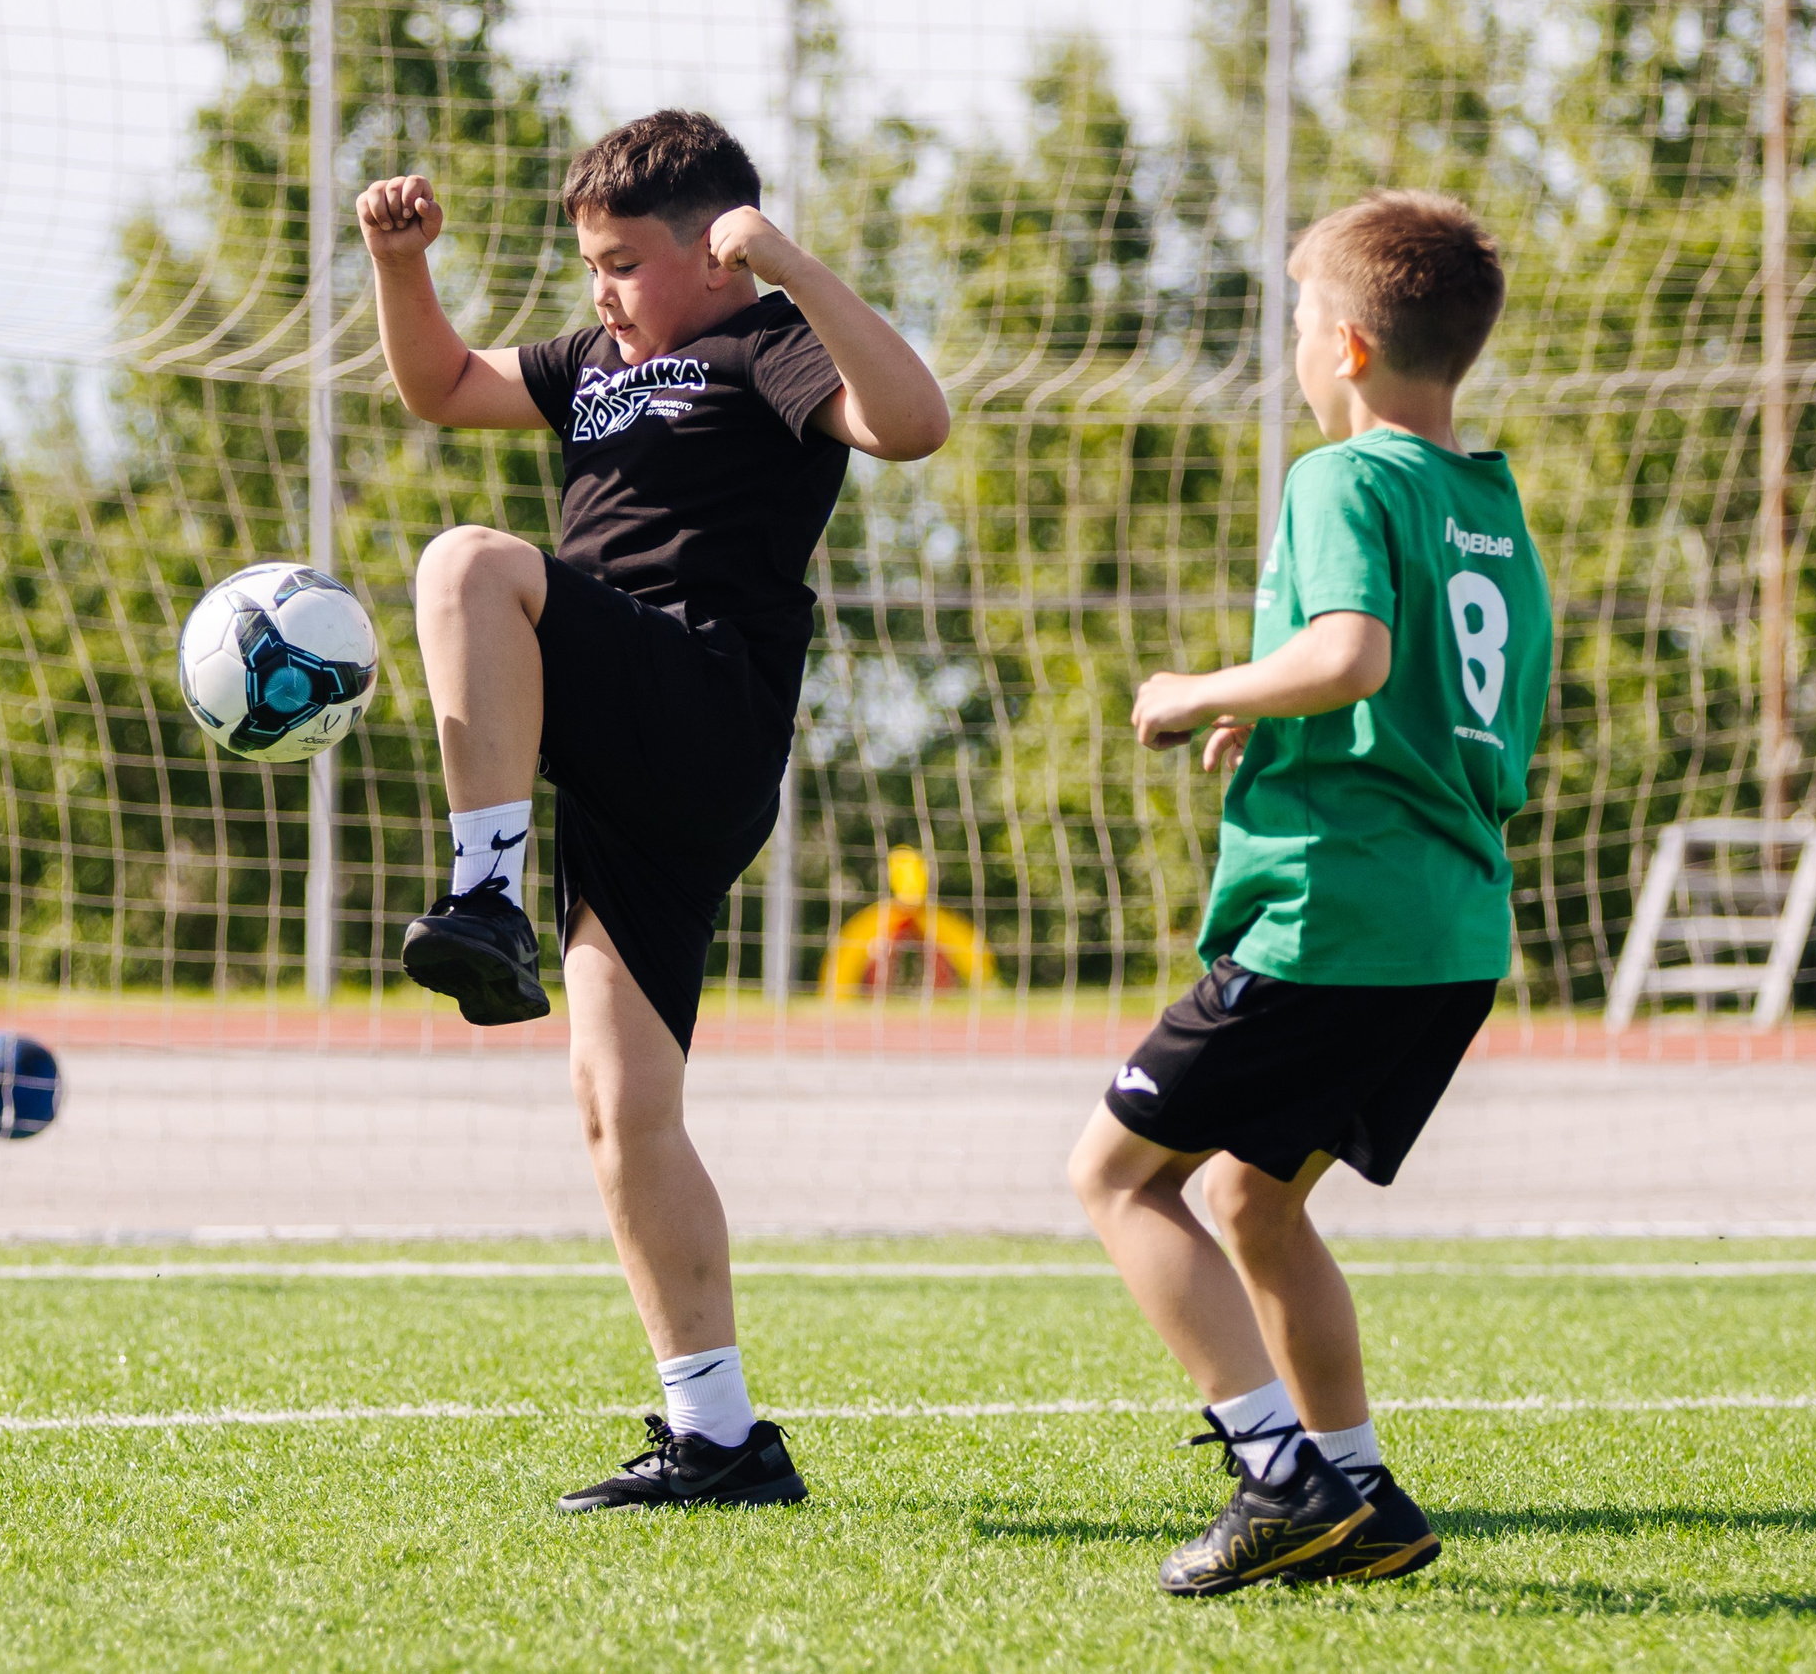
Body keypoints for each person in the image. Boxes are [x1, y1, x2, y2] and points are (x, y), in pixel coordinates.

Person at [355, 110, 949, 1511]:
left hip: (703, 701)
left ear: (713, 248)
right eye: (589, 262)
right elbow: (440, 387)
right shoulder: (599, 362)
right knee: (621, 1107)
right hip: (628, 763)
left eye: (623, 262)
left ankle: (483, 892)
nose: (599, 290)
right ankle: (722, 1438)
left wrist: (793, 266)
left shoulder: (768, 344)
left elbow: (915, 426)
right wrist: (399, 265)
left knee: (466, 566)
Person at [1067, 190, 1551, 1595]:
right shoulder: (1488, 504)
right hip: (1450, 927)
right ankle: (1366, 1496)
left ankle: (1278, 1474)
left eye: (1291, 322)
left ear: (1342, 344)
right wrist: (1282, 723)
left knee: (1115, 1177)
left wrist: (1197, 689)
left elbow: (1346, 652)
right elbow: (1431, 700)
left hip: (1334, 917)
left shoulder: (1344, 478)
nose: (1285, 345)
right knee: (1253, 1200)